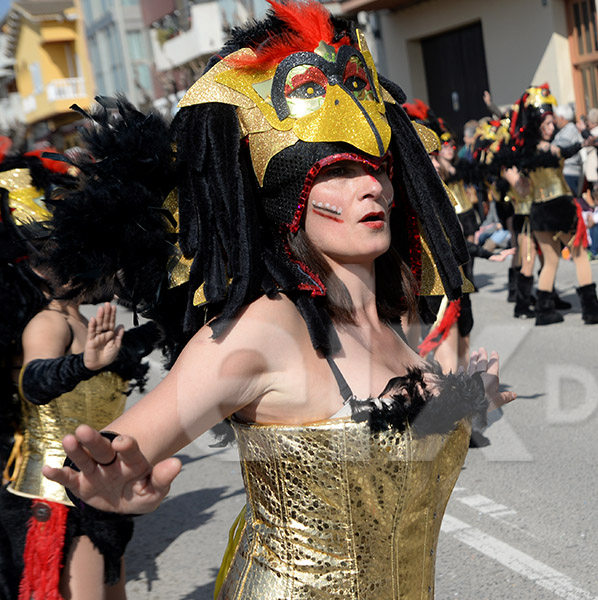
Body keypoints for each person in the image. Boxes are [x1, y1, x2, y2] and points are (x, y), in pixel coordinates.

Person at [40, 4, 515, 599]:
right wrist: (111, 485)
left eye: (375, 169)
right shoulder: (265, 328)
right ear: (289, 202)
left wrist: (462, 406)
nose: (369, 186)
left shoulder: (388, 324)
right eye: (337, 173)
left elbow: (384, 457)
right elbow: (127, 446)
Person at [0, 150, 155, 599]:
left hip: (98, 489)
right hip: (55, 496)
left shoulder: (86, 323)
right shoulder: (48, 323)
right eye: (59, 257)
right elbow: (34, 382)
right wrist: (82, 364)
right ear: (35, 267)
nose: (73, 266)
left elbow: (124, 357)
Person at [506, 84, 598, 325]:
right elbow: (564, 151)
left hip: (539, 211)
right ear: (538, 126)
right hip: (559, 208)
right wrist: (583, 144)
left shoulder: (524, 152)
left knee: (551, 260)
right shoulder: (548, 148)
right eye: (548, 124)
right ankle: (592, 310)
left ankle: (544, 311)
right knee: (580, 255)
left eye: (553, 123)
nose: (552, 127)